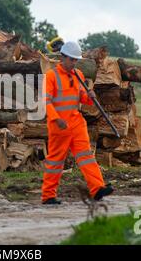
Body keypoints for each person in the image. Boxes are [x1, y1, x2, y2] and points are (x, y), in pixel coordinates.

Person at [42, 41, 114, 204]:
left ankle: (97, 188)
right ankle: (48, 195)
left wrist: (90, 96)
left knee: (86, 156)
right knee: (55, 161)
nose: (74, 63)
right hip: (59, 126)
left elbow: (82, 98)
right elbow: (46, 101)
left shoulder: (79, 75)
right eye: (72, 60)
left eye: (76, 60)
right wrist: (56, 118)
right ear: (63, 58)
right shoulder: (51, 76)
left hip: (76, 124)